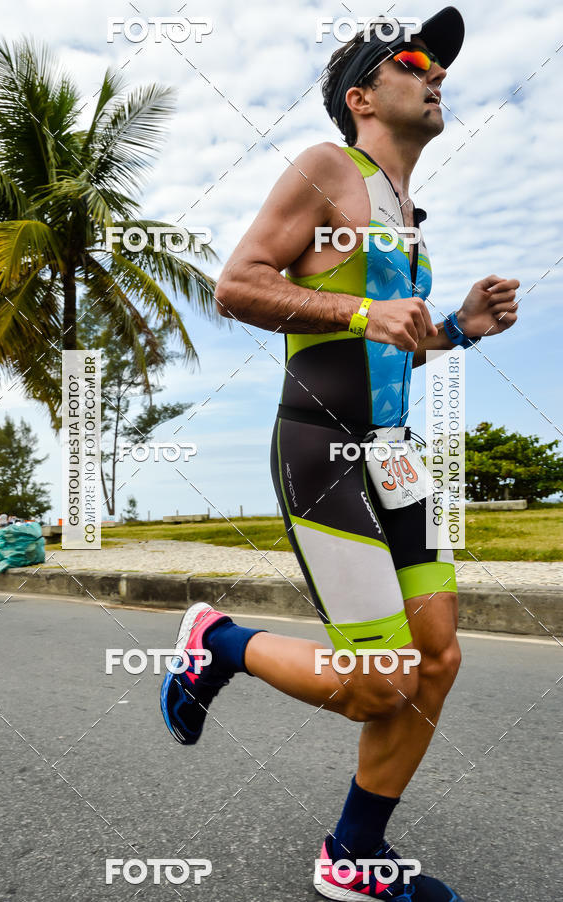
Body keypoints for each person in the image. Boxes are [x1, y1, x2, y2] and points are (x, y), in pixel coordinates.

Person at [161, 7, 519, 900]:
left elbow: (389, 343)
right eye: (414, 61)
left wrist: (457, 329)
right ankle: (219, 642)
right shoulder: (328, 169)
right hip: (323, 450)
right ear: (362, 97)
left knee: (437, 660)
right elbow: (237, 284)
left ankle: (353, 855)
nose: (436, 74)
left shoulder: (408, 216)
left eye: (440, 66)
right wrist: (363, 311)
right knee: (380, 684)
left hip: (395, 457)